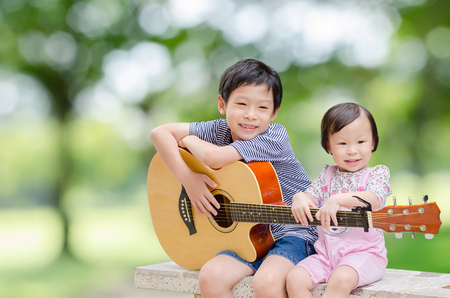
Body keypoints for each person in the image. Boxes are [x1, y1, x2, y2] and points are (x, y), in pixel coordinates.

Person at [150, 58, 317, 298]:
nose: (250, 115)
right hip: (248, 235)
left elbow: (213, 158)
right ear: (222, 103)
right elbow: (159, 133)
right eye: (241, 104)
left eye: (262, 108)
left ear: (274, 113)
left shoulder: (274, 137)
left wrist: (187, 139)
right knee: (210, 278)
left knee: (267, 283)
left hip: (294, 233)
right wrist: (189, 180)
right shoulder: (219, 130)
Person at [287, 102, 392, 298]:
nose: (352, 150)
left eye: (360, 142)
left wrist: (337, 200)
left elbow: (374, 199)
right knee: (294, 278)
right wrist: (299, 197)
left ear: (373, 143)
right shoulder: (327, 175)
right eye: (342, 144)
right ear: (328, 146)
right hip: (326, 256)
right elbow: (310, 194)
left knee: (340, 280)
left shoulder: (377, 174)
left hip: (365, 255)